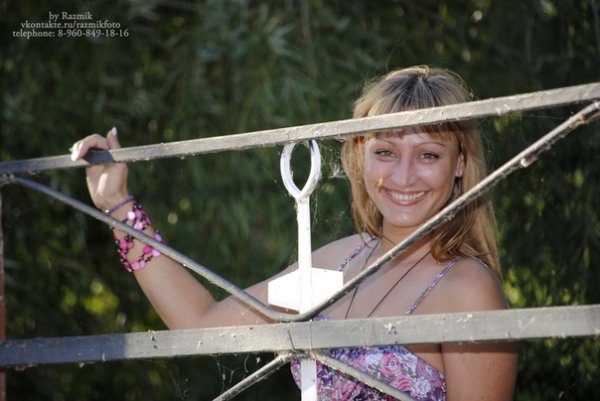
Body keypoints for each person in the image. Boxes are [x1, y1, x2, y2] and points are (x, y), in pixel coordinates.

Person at [71, 66, 518, 401]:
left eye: (428, 155)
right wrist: (118, 205)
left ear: (459, 164)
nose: (403, 176)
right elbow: (200, 322)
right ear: (360, 157)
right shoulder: (334, 263)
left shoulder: (467, 289)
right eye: (385, 151)